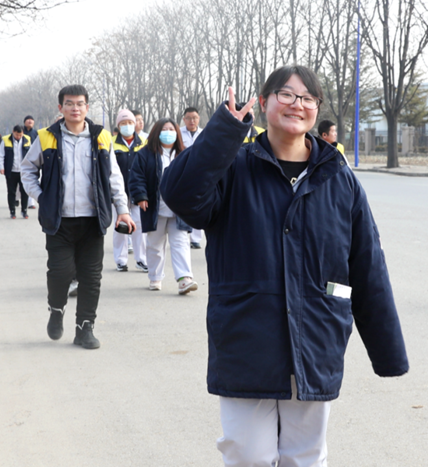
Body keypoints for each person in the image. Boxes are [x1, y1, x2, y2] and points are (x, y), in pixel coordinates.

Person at [160, 65, 409, 466]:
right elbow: (179, 194)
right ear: (264, 102)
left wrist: (388, 351)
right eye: (287, 95)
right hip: (247, 338)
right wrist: (225, 131)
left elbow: (368, 265)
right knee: (247, 453)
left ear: (317, 108)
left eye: (308, 98)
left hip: (316, 337)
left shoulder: (337, 178)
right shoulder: (233, 166)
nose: (298, 105)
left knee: (305, 456)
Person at [21, 84, 136, 350]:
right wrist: (42, 197)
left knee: (91, 278)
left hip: (92, 221)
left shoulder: (102, 137)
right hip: (59, 221)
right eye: (70, 103)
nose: (75, 108)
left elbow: (114, 177)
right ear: (60, 107)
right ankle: (56, 309)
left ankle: (85, 328)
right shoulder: (46, 137)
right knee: (60, 273)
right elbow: (27, 170)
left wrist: (123, 210)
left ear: (87, 107)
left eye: (80, 103)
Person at [129, 118, 197, 294]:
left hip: (179, 209)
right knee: (155, 245)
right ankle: (155, 277)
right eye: (164, 129)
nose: (168, 133)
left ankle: (184, 279)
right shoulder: (145, 154)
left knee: (181, 243)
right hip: (154, 208)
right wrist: (140, 196)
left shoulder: (185, 154)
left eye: (172, 129)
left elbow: (194, 178)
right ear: (157, 133)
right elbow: (137, 177)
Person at [112, 108, 148, 273]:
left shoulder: (144, 143)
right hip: (119, 192)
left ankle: (141, 259)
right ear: (118, 126)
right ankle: (121, 260)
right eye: (123, 123)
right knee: (120, 226)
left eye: (130, 122)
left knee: (139, 225)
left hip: (138, 191)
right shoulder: (111, 142)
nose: (127, 126)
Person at [180, 107, 205, 249]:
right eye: (188, 118)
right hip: (183, 171)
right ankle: (184, 233)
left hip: (200, 172)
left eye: (194, 118)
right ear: (184, 119)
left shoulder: (204, 133)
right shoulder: (178, 133)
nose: (192, 121)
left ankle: (196, 238)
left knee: (198, 204)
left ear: (198, 119)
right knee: (184, 203)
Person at [0, 125, 32, 219]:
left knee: (24, 192)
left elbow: (32, 155)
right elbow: (0, 155)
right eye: (16, 135)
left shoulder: (27, 140)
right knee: (11, 192)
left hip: (24, 171)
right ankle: (12, 211)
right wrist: (1, 167)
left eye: (20, 135)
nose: (18, 137)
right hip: (11, 171)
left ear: (23, 133)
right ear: (13, 132)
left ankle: (24, 211)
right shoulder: (6, 140)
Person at [22, 117, 38, 209]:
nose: (30, 121)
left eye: (31, 120)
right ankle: (17, 198)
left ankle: (31, 202)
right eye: (28, 120)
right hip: (22, 159)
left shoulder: (36, 133)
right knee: (20, 183)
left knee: (31, 180)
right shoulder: (21, 132)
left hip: (33, 159)